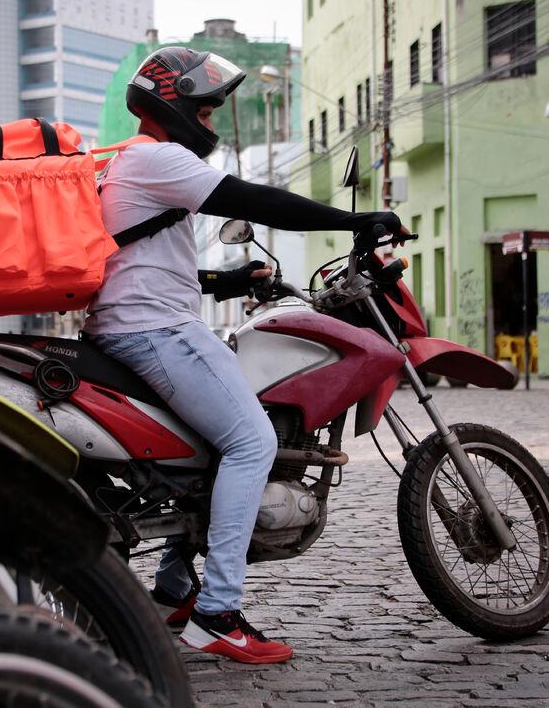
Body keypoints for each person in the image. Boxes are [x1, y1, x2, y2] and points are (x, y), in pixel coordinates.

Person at [84, 47, 405, 664]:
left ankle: (175, 586)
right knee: (253, 442)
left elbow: (138, 259)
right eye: (205, 112)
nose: (209, 124)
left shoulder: (130, 163)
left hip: (133, 326)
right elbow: (253, 200)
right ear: (173, 106)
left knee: (216, 443)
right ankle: (217, 613)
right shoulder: (158, 157)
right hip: (156, 331)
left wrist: (226, 282)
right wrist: (354, 220)